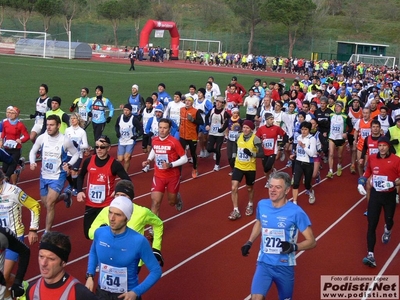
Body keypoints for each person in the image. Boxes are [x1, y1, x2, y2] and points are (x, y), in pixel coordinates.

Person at [241, 171, 316, 300]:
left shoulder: (296, 212)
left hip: (284, 266)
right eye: (271, 186)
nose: (273, 190)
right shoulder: (262, 205)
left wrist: (294, 247)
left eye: (278, 187)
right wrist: (249, 241)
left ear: (287, 190)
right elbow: (259, 223)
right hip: (264, 263)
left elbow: (312, 241)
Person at [86, 196, 162, 299]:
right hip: (102, 294)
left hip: (127, 296)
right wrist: (90, 276)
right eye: (110, 212)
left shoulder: (139, 241)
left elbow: (156, 270)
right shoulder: (99, 233)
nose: (112, 218)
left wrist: (136, 292)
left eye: (118, 215)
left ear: (127, 218)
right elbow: (94, 251)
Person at [88, 180, 164, 269]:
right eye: (117, 195)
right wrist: (102, 231)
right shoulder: (107, 211)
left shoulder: (142, 212)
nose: (119, 198)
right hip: (110, 259)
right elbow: (90, 233)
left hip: (133, 261)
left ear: (131, 198)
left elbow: (158, 224)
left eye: (123, 196)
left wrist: (156, 248)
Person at [29, 115, 79, 233]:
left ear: (58, 126)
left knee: (50, 203)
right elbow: (33, 151)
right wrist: (32, 162)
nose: (49, 127)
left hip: (58, 176)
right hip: (44, 175)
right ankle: (65, 196)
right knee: (46, 203)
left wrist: (69, 164)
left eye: (51, 125)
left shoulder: (65, 140)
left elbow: (76, 153)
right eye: (47, 125)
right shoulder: (42, 138)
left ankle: (47, 232)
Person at [76, 135, 131, 239]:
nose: (99, 149)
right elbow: (80, 176)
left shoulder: (114, 164)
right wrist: (79, 191)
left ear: (109, 148)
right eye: (97, 147)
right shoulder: (88, 161)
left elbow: (127, 180)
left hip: (106, 206)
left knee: (106, 235)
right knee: (88, 234)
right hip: (90, 204)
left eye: (102, 147)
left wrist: (117, 191)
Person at [357, 136, 400, 268]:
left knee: (389, 220)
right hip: (375, 195)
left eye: (384, 146)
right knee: (371, 224)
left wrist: (392, 183)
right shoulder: (372, 158)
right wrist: (361, 182)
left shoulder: (396, 160)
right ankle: (370, 254)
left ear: (388, 147)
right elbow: (368, 171)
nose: (381, 148)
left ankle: (388, 229)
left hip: (389, 196)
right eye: (379, 146)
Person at [0, 169, 40, 300]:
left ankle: (23, 291)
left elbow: (34, 205)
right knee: (2, 278)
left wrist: (33, 229)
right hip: (1, 238)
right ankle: (23, 285)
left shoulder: (13, 191)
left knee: (4, 276)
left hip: (14, 237)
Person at [26, 231, 98, 300]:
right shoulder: (32, 289)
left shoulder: (80, 294)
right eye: (41, 256)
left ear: (63, 262)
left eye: (51, 259)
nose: (43, 263)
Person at [142, 118, 188, 217]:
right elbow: (154, 150)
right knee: (155, 202)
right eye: (160, 127)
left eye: (165, 128)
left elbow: (185, 159)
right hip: (158, 175)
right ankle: (154, 226)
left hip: (172, 176)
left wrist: (171, 164)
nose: (162, 130)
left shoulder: (174, 142)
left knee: (171, 202)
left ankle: (177, 198)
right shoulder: (154, 140)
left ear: (169, 129)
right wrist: (149, 160)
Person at [228, 120, 263, 220]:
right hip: (238, 166)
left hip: (250, 168)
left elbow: (262, 154)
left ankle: (250, 204)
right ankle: (236, 210)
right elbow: (235, 144)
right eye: (244, 127)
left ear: (251, 129)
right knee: (234, 187)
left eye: (247, 128)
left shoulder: (255, 139)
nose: (245, 129)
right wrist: (234, 155)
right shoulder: (239, 136)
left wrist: (252, 154)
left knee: (249, 188)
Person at [255, 112, 287, 188]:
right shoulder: (261, 129)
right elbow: (256, 138)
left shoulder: (276, 128)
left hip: (273, 151)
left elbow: (285, 135)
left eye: (273, 119)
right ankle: (269, 180)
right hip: (264, 151)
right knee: (265, 168)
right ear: (266, 120)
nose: (272, 121)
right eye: (271, 119)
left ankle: (271, 174)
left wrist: (282, 145)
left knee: (267, 168)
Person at [290, 121, 317, 204]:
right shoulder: (299, 138)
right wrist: (294, 154)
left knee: (307, 184)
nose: (303, 131)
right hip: (298, 162)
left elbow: (312, 153)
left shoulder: (312, 139)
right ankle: (295, 202)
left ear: (309, 130)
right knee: (296, 183)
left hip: (308, 163)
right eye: (302, 129)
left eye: (305, 129)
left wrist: (303, 146)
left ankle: (311, 192)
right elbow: (298, 149)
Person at [0, 106, 29, 184]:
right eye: (9, 112)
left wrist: (21, 140)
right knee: (5, 169)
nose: (10, 114)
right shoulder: (5, 123)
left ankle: (6, 180)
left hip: (16, 149)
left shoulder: (20, 125)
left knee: (10, 169)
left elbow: (27, 136)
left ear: (16, 114)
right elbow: (3, 133)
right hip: (7, 148)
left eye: (12, 113)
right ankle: (17, 170)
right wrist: (1, 141)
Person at [0, 226, 31, 300]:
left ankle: (23, 285)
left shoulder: (2, 234)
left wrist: (18, 282)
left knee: (6, 275)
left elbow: (24, 251)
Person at [64, 112, 90, 195]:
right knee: (66, 171)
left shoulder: (82, 132)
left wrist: (78, 145)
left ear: (78, 120)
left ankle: (75, 188)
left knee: (74, 172)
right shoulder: (67, 130)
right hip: (68, 154)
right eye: (71, 119)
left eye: (74, 118)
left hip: (78, 155)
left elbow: (85, 145)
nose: (72, 120)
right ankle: (72, 184)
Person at [326, 101, 353, 178]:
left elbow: (351, 127)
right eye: (336, 106)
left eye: (338, 106)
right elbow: (328, 125)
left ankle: (339, 165)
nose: (336, 108)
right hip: (332, 137)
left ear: (342, 108)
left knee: (340, 156)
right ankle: (330, 171)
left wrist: (346, 133)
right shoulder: (331, 115)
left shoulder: (345, 116)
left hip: (340, 139)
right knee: (331, 154)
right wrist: (326, 132)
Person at [179, 96, 204, 178]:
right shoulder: (181, 109)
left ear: (192, 102)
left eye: (189, 101)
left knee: (193, 153)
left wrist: (193, 120)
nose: (187, 102)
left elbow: (201, 122)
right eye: (186, 100)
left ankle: (194, 169)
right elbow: (180, 120)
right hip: (182, 135)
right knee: (180, 154)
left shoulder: (195, 111)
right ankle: (179, 173)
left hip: (192, 136)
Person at [115, 103, 143, 172]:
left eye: (127, 110)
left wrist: (137, 135)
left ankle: (125, 173)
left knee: (126, 158)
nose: (125, 111)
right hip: (121, 141)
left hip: (130, 141)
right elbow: (116, 126)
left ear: (130, 111)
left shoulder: (134, 119)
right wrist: (117, 132)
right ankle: (128, 155)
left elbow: (141, 129)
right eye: (124, 110)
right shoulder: (120, 117)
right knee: (120, 159)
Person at [205, 96, 230, 171]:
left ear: (222, 104)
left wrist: (223, 128)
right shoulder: (212, 110)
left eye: (220, 102)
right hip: (212, 132)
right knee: (209, 149)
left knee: (218, 148)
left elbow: (229, 120)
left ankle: (217, 164)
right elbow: (206, 117)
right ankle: (216, 152)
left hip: (220, 134)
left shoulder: (224, 112)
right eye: (217, 102)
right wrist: (207, 125)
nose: (218, 103)